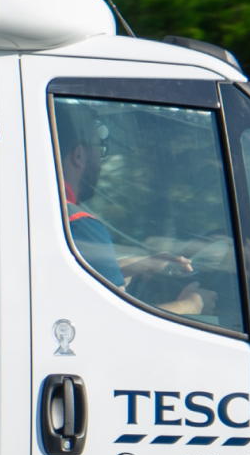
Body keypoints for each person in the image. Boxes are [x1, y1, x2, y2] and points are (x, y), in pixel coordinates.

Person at [56, 112, 208, 317]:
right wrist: (191, 305)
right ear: (79, 156)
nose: (101, 160)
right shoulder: (78, 225)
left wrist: (140, 265)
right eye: (99, 149)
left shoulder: (47, 213)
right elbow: (115, 323)